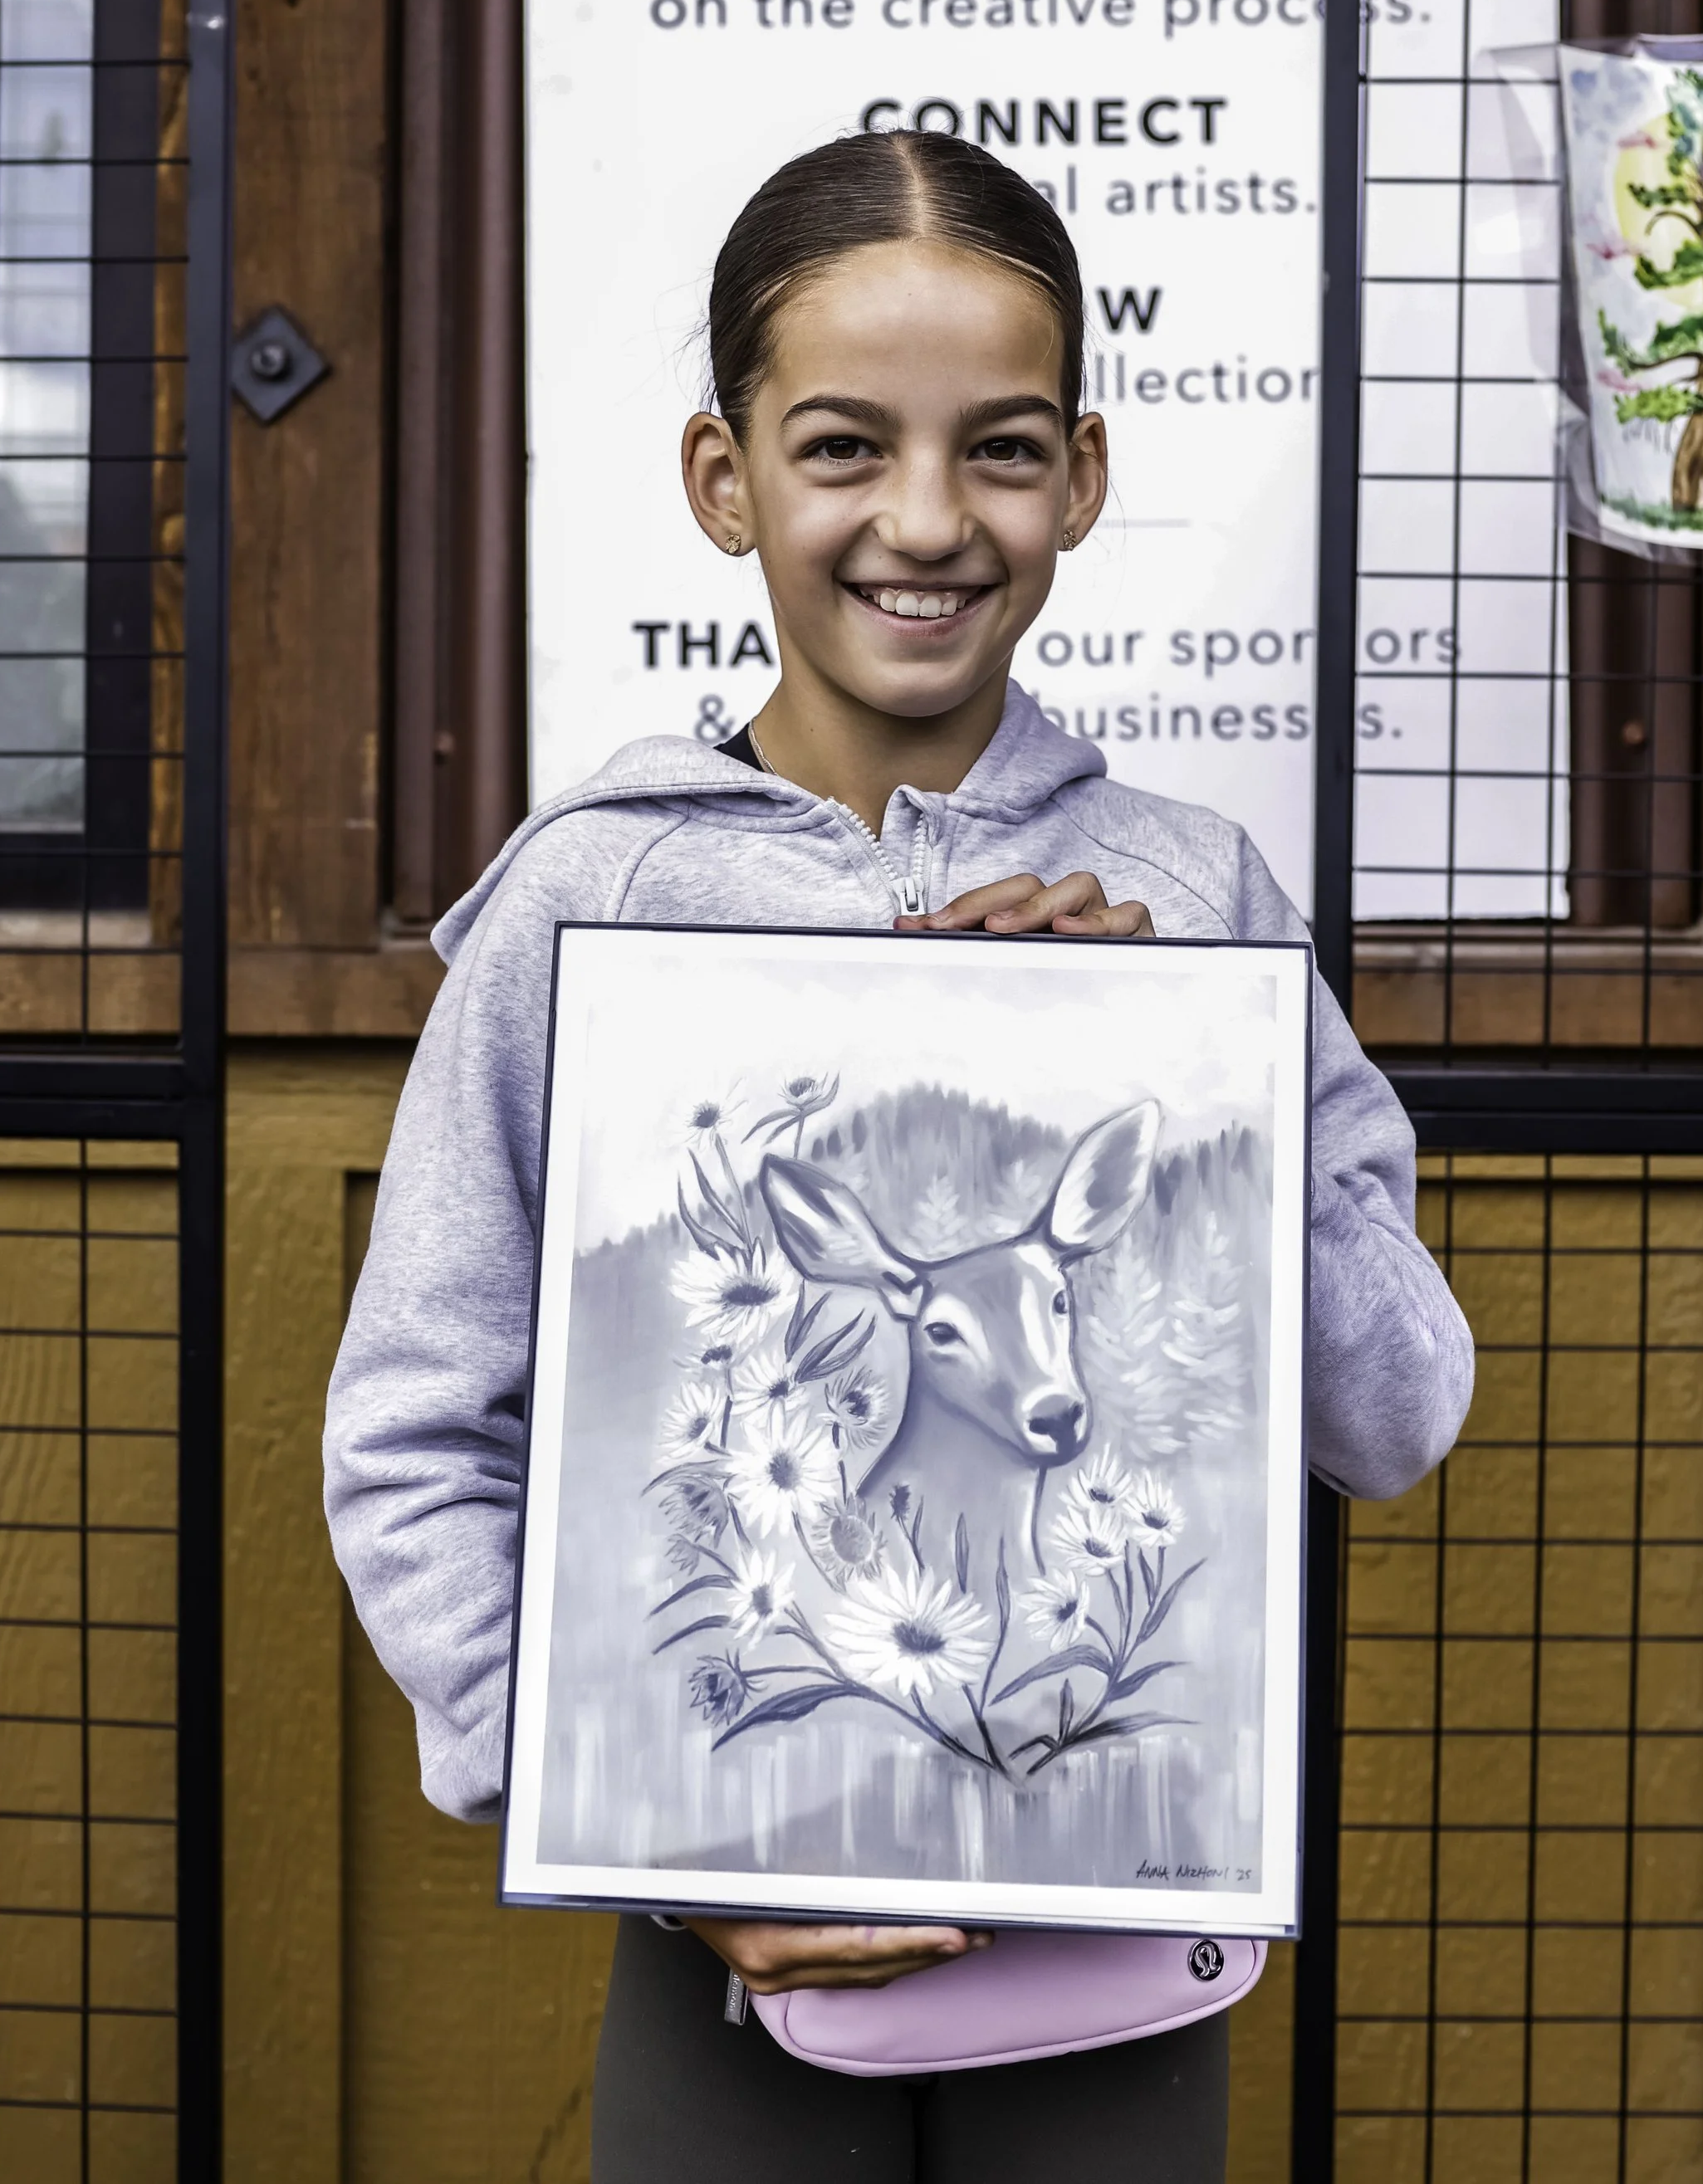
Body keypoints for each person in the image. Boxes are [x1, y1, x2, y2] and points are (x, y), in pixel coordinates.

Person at [325, 129, 1473, 2184]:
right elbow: (417, 1427)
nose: (926, 521)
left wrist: (1190, 1075)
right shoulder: (591, 897)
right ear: (722, 477)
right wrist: (631, 1811)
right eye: (843, 446)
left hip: (1118, 1943)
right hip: (733, 1936)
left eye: (1001, 450)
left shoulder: (1188, 886)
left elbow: (1390, 1407)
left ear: (1084, 478)